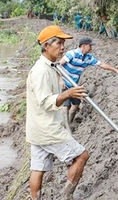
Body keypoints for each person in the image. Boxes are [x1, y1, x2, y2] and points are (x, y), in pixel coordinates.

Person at [26, 25, 89, 200]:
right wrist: (67, 93)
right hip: (48, 128)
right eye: (59, 43)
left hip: (37, 128)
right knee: (81, 155)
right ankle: (66, 196)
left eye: (63, 44)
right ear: (47, 46)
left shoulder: (49, 66)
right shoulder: (41, 71)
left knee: (38, 168)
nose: (63, 47)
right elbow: (45, 101)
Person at [59, 37, 118, 132]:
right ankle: (66, 129)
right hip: (65, 83)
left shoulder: (88, 58)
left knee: (76, 104)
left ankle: (68, 124)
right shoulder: (72, 54)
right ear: (83, 46)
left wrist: (115, 70)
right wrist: (60, 80)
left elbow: (101, 65)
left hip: (74, 85)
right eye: (90, 46)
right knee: (65, 106)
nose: (91, 48)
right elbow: (58, 65)